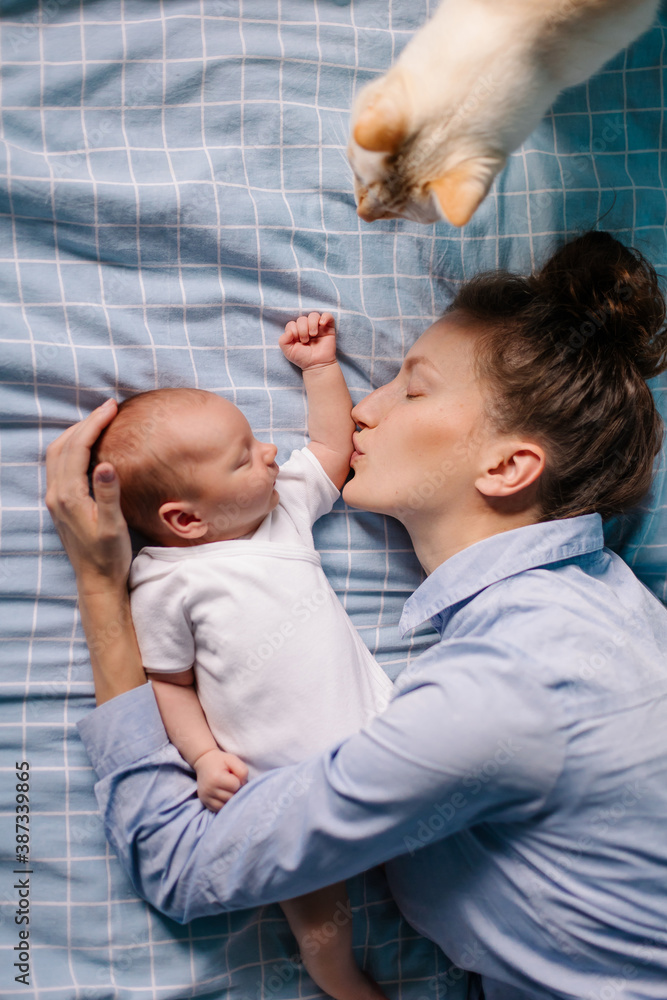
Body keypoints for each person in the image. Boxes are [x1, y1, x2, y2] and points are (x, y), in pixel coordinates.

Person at [46, 231, 667, 1000]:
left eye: (411, 390)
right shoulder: (615, 610)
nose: (365, 408)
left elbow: (179, 863)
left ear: (506, 467)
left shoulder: (508, 685)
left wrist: (101, 589)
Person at [86, 313, 393, 1000]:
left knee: (437, 840)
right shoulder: (166, 582)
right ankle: (337, 977)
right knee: (310, 894)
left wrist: (318, 370)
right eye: (243, 453)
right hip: (279, 784)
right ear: (185, 519)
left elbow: (329, 446)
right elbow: (168, 683)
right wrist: (200, 756)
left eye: (254, 439)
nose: (269, 451)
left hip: (379, 736)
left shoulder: (282, 505)